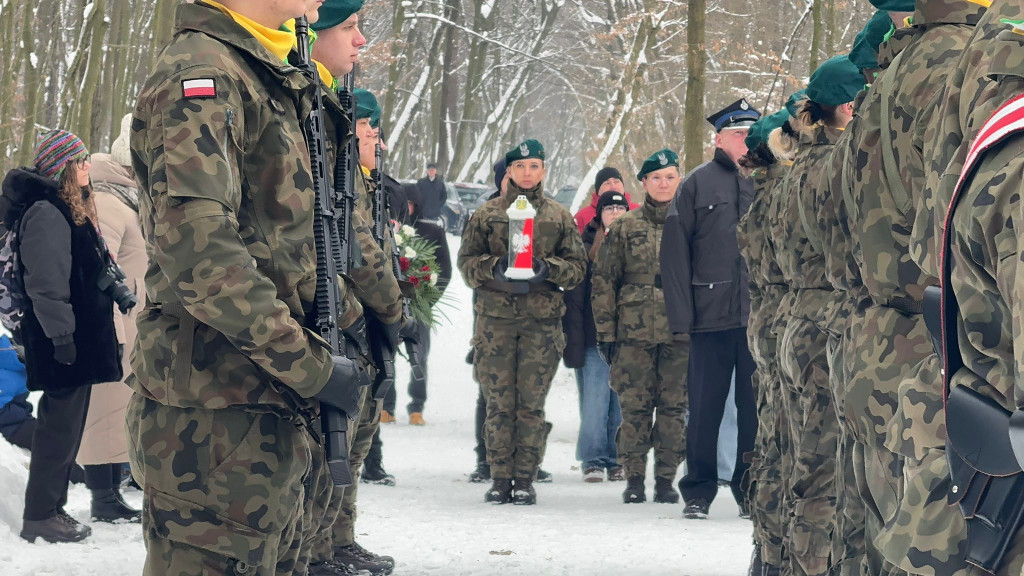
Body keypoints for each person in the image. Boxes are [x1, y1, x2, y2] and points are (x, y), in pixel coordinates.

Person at [128, 2, 371, 574]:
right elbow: (201, 253)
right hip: (214, 417)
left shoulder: (264, 72)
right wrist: (310, 367)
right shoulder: (203, 78)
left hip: (265, 401)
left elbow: (292, 243)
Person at [308, 9, 405, 572]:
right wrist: (394, 310)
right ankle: (324, 544)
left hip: (360, 325)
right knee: (334, 446)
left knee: (356, 442)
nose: (375, 141)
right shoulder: (343, 173)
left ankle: (337, 539)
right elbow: (360, 254)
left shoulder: (368, 185)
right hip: (342, 319)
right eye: (368, 131)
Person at [1, 128, 122, 544]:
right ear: (63, 167)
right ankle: (39, 516)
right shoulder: (47, 212)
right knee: (56, 430)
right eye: (80, 160)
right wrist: (62, 338)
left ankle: (53, 509)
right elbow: (46, 284)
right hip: (61, 341)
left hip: (76, 339)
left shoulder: (67, 207)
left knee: (67, 428)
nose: (87, 166)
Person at [458, 139, 586, 505]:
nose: (527, 173)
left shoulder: (559, 217)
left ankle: (525, 478)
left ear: (543, 171)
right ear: (509, 172)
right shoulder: (487, 214)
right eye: (520, 167)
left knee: (530, 404)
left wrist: (549, 268)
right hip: (495, 322)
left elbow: (578, 268)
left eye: (534, 166)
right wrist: (492, 267)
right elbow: (466, 264)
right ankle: (499, 477)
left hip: (541, 323)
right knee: (499, 403)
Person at [662, 98, 759, 520]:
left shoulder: (770, 179)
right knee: (704, 409)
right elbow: (674, 255)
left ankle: (749, 487)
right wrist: (682, 318)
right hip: (709, 316)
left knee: (754, 411)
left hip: (758, 319)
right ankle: (698, 490)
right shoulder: (696, 184)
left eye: (750, 133)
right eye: (737, 133)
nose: (745, 140)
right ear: (719, 139)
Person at [592, 149, 690, 504]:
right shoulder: (625, 227)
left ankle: (665, 479)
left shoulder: (691, 223)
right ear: (644, 183)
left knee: (673, 409)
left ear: (679, 180)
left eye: (670, 177)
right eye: (656, 178)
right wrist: (606, 332)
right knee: (633, 408)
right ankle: (634, 478)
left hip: (681, 333)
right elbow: (604, 281)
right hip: (632, 333)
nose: (664, 184)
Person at [76, 120, 146, 524]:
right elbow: (103, 269)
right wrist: (114, 335)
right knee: (105, 412)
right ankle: (103, 499)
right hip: (118, 327)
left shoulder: (128, 198)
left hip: (136, 324)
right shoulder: (107, 201)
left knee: (123, 410)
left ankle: (117, 489)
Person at [735, 108, 791, 576]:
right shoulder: (784, 191)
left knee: (776, 446)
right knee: (790, 451)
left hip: (773, 324)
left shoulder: (764, 194)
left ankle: (769, 551)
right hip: (793, 321)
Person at [562, 191, 626, 483]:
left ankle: (617, 458)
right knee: (595, 402)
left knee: (621, 403)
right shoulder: (585, 245)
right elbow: (574, 300)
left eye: (620, 206)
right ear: (598, 213)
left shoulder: (636, 242)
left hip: (628, 337)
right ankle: (592, 459)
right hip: (592, 337)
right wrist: (573, 341)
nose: (614, 211)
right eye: (609, 207)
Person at [572, 167, 639, 233]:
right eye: (607, 183)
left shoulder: (638, 210)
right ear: (598, 190)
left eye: (616, 182)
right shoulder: (582, 217)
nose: (613, 187)